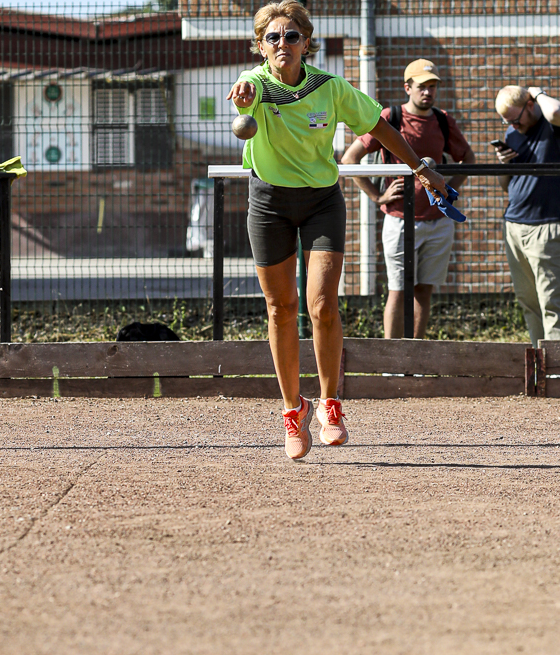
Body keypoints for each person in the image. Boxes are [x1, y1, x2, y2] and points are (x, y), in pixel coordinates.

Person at [227, 5, 448, 460]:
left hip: (321, 201)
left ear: (307, 42)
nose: (282, 44)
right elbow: (245, 95)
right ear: (260, 46)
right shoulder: (257, 83)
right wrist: (244, 98)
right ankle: (294, 410)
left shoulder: (330, 88)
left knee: (323, 304)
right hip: (268, 203)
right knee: (280, 308)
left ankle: (330, 405)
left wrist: (419, 169)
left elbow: (378, 126)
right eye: (272, 38)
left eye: (291, 36)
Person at [342, 59, 475, 339]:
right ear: (407, 88)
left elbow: (468, 158)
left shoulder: (442, 120)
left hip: (439, 221)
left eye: (432, 87)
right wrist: (378, 196)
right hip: (400, 220)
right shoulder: (391, 119)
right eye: (422, 86)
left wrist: (447, 189)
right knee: (398, 290)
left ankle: (415, 357)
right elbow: (349, 159)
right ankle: (392, 361)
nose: (428, 92)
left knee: (423, 291)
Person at [494, 85, 560, 345]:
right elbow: (507, 185)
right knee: (528, 303)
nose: (511, 125)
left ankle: (555, 376)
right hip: (514, 226)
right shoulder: (513, 133)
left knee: (552, 303)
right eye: (506, 121)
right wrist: (504, 164)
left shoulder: (551, 125)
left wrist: (538, 91)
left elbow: (555, 111)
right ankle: (539, 368)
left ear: (530, 105)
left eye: (514, 118)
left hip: (546, 228)